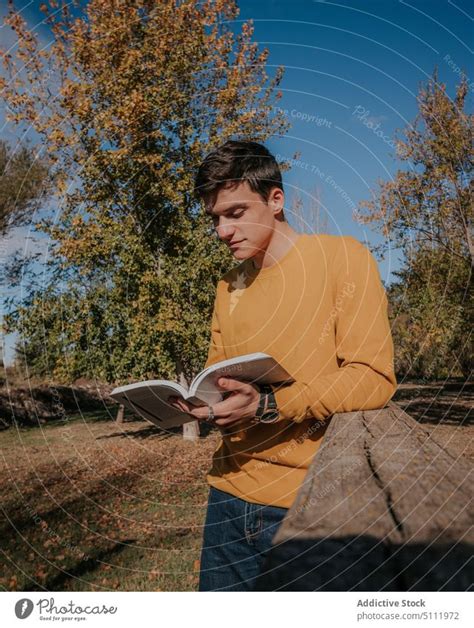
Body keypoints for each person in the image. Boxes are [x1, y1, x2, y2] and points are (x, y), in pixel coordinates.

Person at [169, 139, 397, 591]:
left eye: (235, 213)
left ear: (276, 200)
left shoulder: (342, 258)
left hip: (312, 507)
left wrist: (270, 404)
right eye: (214, 218)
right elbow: (218, 377)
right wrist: (206, 406)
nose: (222, 231)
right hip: (227, 499)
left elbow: (373, 378)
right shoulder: (228, 285)